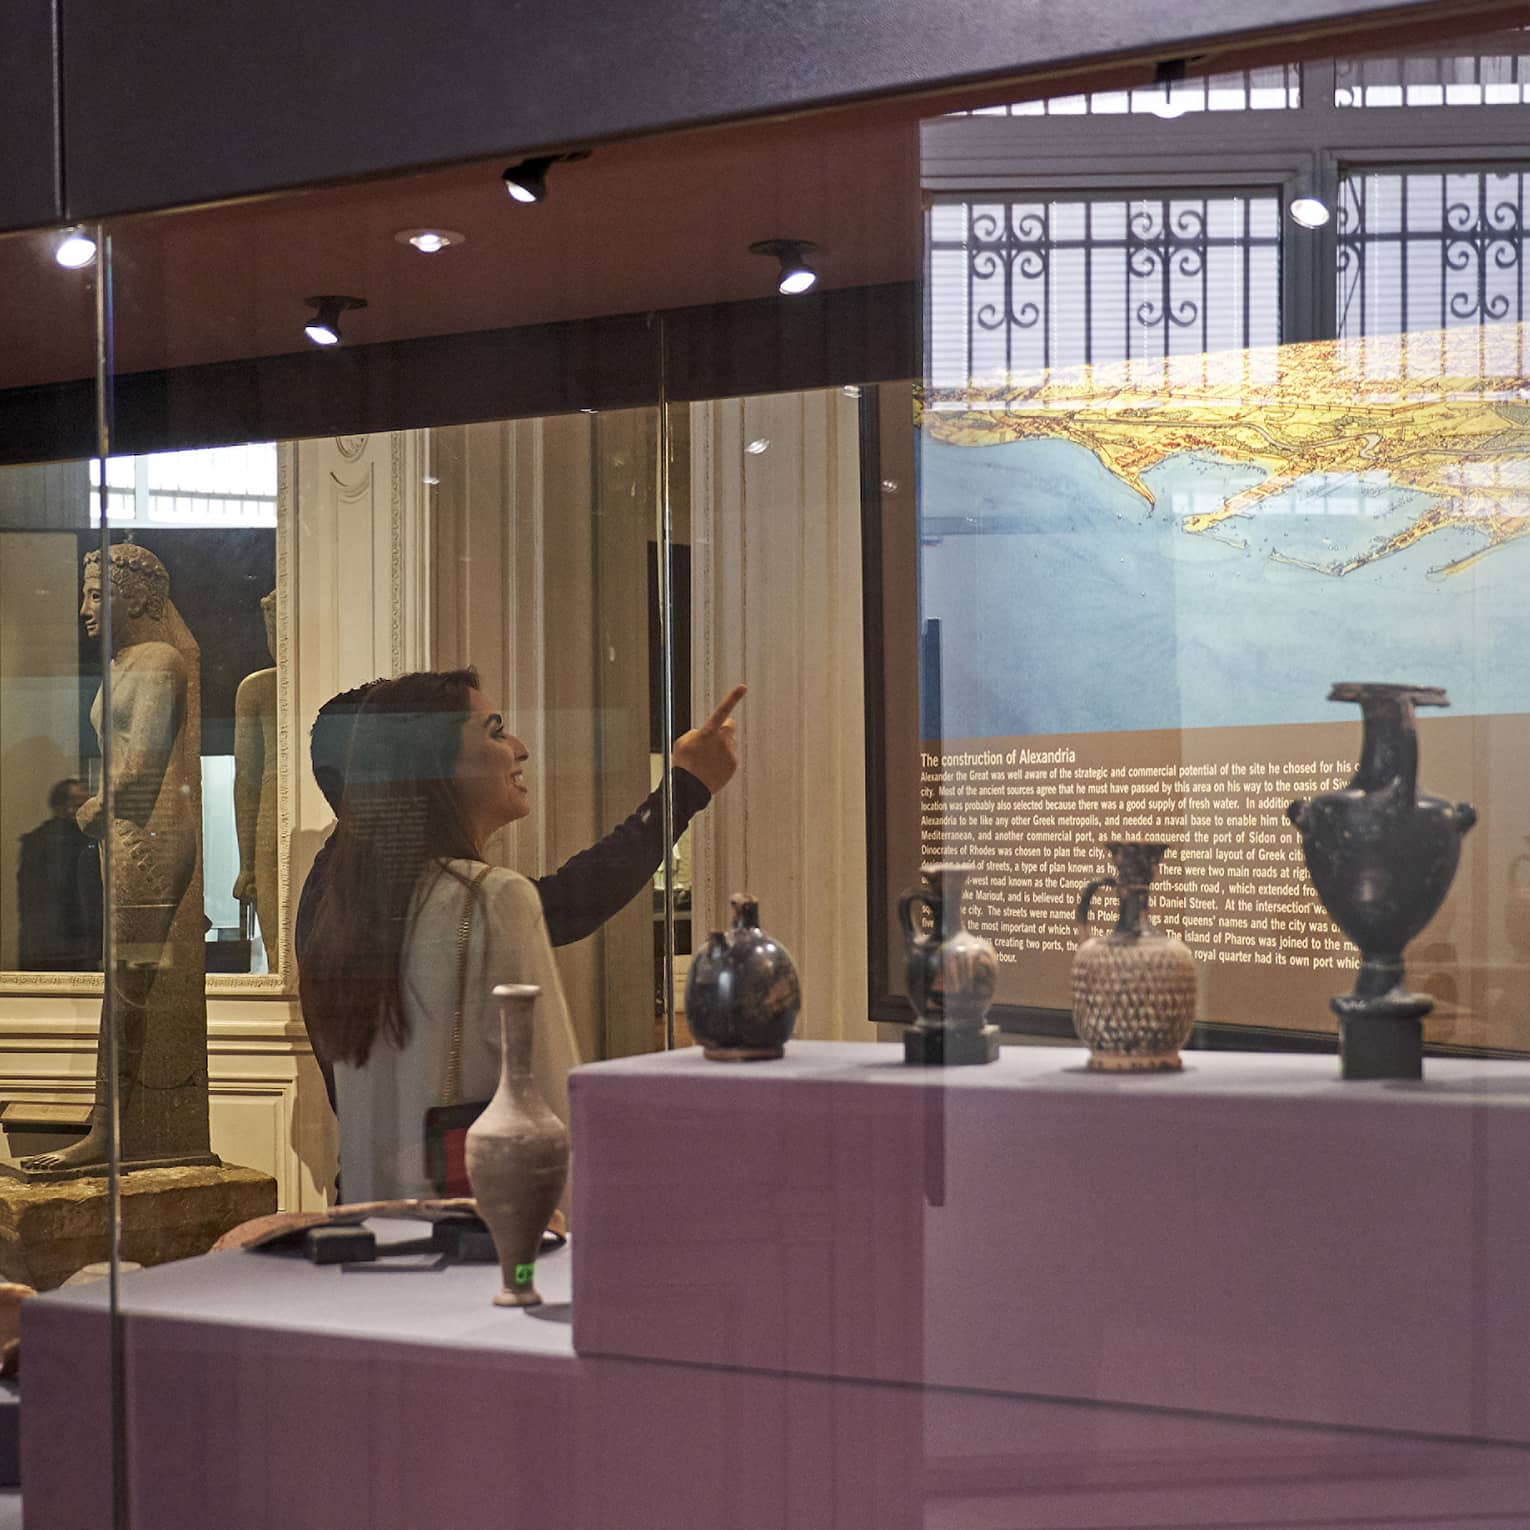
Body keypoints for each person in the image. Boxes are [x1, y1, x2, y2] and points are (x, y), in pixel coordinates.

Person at [298, 669, 744, 1201]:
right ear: (434, 763)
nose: (520, 747)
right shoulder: (489, 898)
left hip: (375, 1217)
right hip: (482, 1226)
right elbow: (550, 1105)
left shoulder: (347, 899)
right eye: (494, 730)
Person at [15, 778, 98, 971]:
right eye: (79, 804)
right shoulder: (40, 843)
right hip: (52, 944)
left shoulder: (85, 840)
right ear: (61, 808)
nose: (85, 809)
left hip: (76, 943)